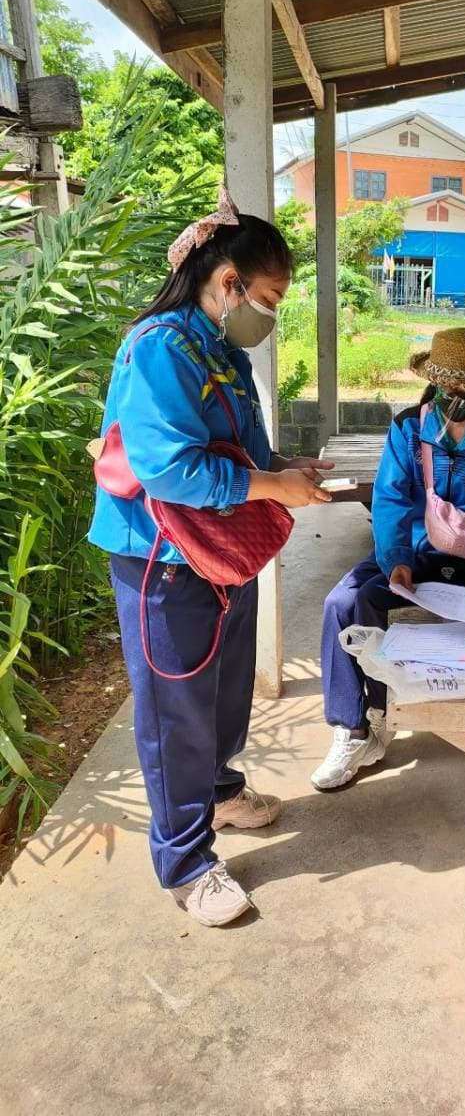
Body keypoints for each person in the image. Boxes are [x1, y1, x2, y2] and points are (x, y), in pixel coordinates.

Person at [89, 187, 334, 927]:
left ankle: (220, 792)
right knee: (177, 712)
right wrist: (273, 487)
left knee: (225, 691)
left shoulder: (219, 351)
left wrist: (286, 470)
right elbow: (170, 470)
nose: (271, 315)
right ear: (229, 283)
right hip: (162, 558)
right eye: (269, 298)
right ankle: (185, 862)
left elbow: (239, 452)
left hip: (223, 551)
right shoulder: (160, 347)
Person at [313, 326, 465, 791]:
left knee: (398, 611)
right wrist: (396, 558)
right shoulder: (408, 429)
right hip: (410, 551)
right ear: (435, 383)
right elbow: (390, 499)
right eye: (450, 387)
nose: (459, 398)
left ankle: (381, 709)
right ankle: (354, 729)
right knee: (342, 603)